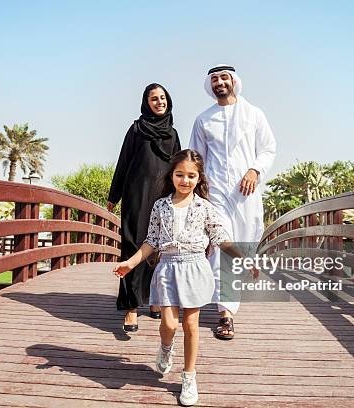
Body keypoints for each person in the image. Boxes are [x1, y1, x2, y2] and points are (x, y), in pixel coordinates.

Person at [112, 149, 257, 407]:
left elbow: (220, 237)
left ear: (199, 178)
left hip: (195, 268)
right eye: (180, 174)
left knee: (190, 325)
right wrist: (130, 263)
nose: (185, 180)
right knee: (168, 324)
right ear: (172, 175)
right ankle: (166, 347)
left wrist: (243, 257)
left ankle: (189, 376)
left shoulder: (205, 208)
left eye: (191, 176)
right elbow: (151, 242)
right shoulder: (161, 206)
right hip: (167, 269)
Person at [189, 64, 276, 340]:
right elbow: (196, 158)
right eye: (214, 79)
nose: (219, 82)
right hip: (215, 193)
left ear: (234, 81)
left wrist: (255, 170)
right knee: (222, 247)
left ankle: (238, 280)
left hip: (246, 193)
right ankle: (225, 314)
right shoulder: (204, 119)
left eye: (224, 77)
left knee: (244, 243)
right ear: (209, 85)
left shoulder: (254, 114)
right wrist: (196, 194)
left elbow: (268, 147)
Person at [108, 83, 181, 332]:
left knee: (159, 250)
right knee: (134, 245)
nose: (159, 102)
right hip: (136, 197)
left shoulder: (172, 134)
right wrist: (113, 195)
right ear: (146, 102)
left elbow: (179, 169)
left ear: (168, 101)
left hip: (163, 199)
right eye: (154, 99)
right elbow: (123, 161)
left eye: (162, 98)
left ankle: (153, 300)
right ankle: (130, 308)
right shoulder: (137, 129)